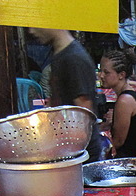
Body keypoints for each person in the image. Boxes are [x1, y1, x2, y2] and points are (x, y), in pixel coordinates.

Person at [28, 28, 102, 162]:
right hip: (69, 150)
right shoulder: (59, 55)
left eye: (35, 25)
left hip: (80, 154)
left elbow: (84, 110)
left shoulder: (74, 58)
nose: (31, 31)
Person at [99, 49, 136, 159]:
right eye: (100, 71)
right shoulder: (128, 95)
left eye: (106, 72)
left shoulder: (125, 100)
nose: (101, 75)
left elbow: (118, 142)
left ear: (121, 75)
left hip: (129, 161)